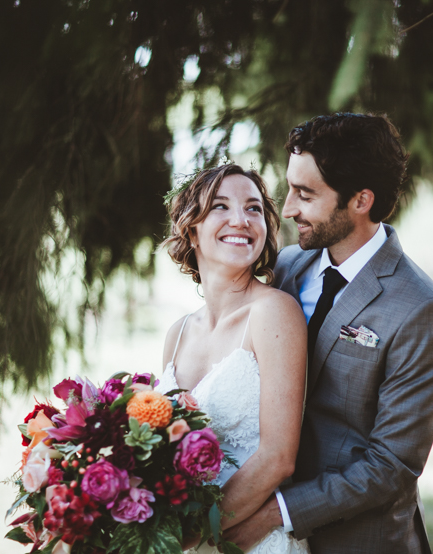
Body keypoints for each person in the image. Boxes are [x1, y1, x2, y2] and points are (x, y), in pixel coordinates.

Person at [224, 113, 433, 553]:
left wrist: (277, 513)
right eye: (290, 188)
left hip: (358, 540)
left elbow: (391, 464)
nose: (288, 208)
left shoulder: (421, 310)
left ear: (360, 200)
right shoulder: (287, 268)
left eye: (305, 194)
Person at [158, 163, 311, 553]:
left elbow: (277, 458)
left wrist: (189, 538)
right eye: (221, 207)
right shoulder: (177, 334)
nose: (241, 220)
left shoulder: (274, 312)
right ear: (191, 228)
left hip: (248, 541)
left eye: (254, 208)